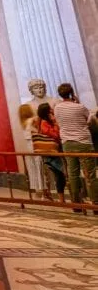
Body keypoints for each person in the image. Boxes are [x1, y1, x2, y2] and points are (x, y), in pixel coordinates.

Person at [54, 83, 98, 211]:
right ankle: (95, 203)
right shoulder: (80, 107)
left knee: (72, 174)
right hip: (83, 142)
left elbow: (58, 121)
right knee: (90, 174)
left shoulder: (57, 108)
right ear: (72, 93)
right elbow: (89, 121)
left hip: (67, 143)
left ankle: (76, 203)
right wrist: (77, 102)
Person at [31, 103, 66, 201]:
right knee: (59, 174)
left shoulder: (47, 121)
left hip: (55, 150)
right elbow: (54, 135)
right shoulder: (44, 122)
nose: (52, 110)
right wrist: (55, 124)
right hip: (51, 152)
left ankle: (61, 198)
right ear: (46, 111)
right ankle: (61, 199)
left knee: (60, 175)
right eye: (50, 108)